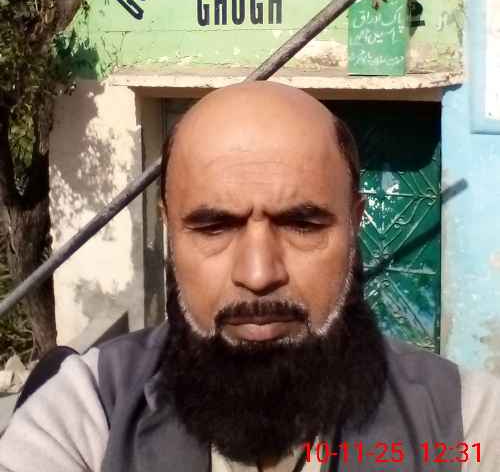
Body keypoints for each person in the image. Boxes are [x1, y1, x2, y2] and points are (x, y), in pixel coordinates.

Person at [0, 81, 499, 472]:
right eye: (214, 227)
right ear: (168, 230)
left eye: (303, 224)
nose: (258, 275)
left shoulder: (465, 422)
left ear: (354, 224)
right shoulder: (87, 411)